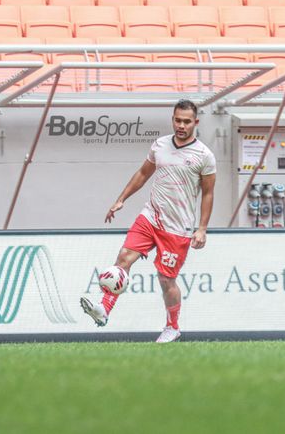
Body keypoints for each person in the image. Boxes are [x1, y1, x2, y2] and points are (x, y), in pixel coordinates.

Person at [80, 99, 216, 343]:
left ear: (195, 122)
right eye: (177, 120)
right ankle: (103, 310)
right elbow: (143, 173)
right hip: (150, 216)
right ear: (172, 119)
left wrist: (202, 228)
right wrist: (121, 199)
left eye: (187, 121)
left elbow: (208, 193)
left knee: (166, 279)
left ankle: (172, 327)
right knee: (123, 259)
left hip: (178, 227)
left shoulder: (204, 155)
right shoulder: (160, 145)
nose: (181, 125)